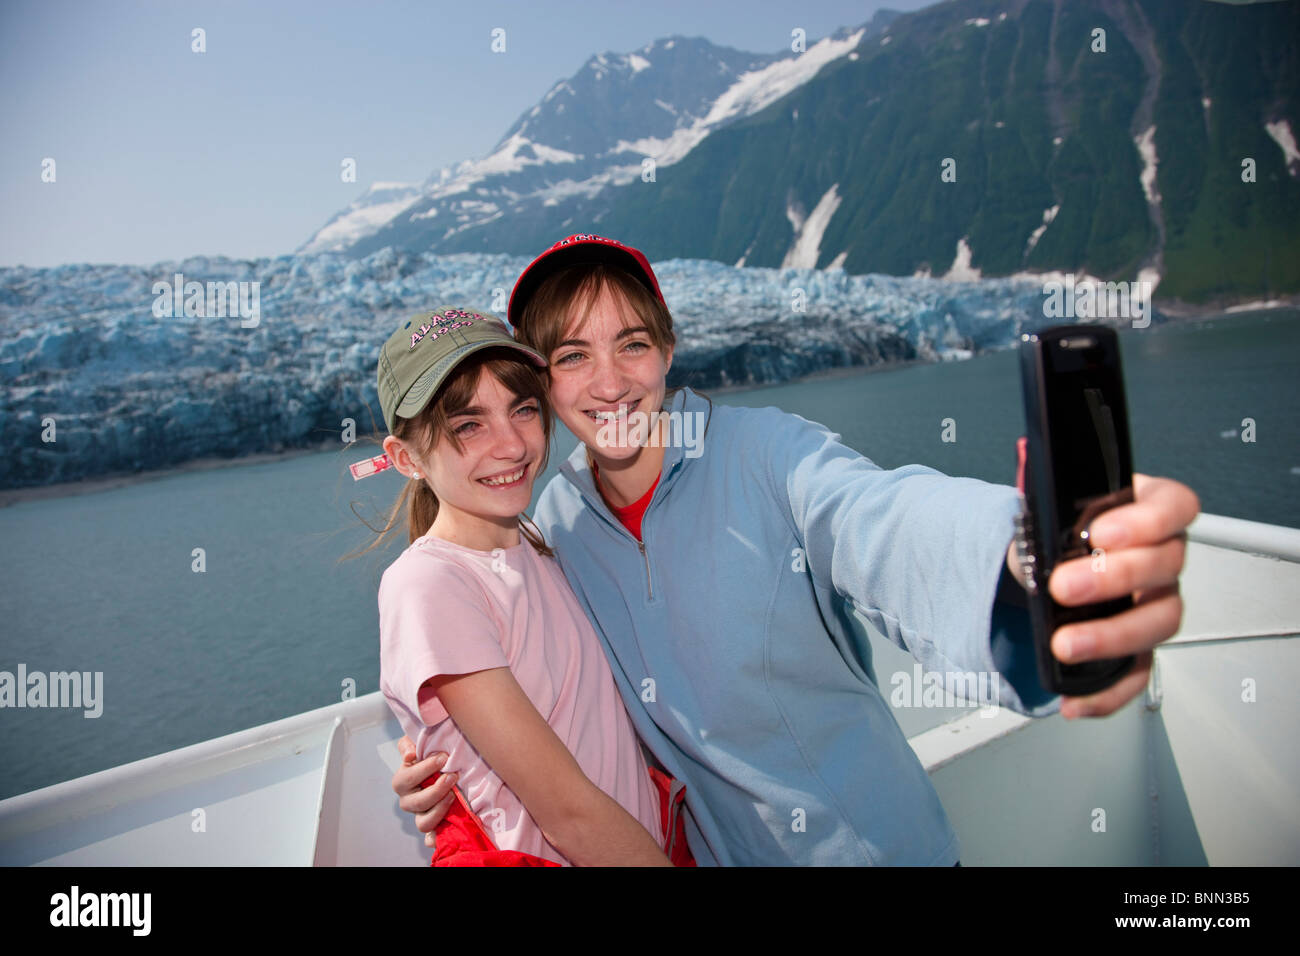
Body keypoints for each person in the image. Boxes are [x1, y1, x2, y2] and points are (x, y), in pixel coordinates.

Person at [391, 237, 1199, 866]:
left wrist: (1025, 560)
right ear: (547, 382)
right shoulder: (559, 520)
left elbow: (885, 519)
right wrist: (443, 765)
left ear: (669, 351)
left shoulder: (766, 455)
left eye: (632, 344)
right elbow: (551, 673)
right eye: (572, 356)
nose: (609, 383)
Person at [361, 306, 693, 866]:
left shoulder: (536, 545)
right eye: (468, 426)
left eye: (523, 410)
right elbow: (566, 813)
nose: (512, 446)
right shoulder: (429, 584)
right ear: (405, 457)